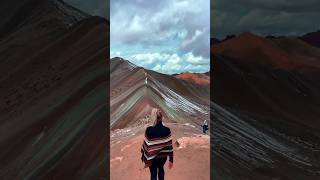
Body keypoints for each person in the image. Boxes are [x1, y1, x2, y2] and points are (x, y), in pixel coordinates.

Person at [141, 108, 174, 180]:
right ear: (161, 117)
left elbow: (146, 146)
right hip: (162, 157)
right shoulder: (167, 130)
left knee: (153, 173)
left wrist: (144, 156)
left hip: (152, 158)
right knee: (161, 169)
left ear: (153, 117)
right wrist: (171, 160)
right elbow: (169, 146)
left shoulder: (149, 130)